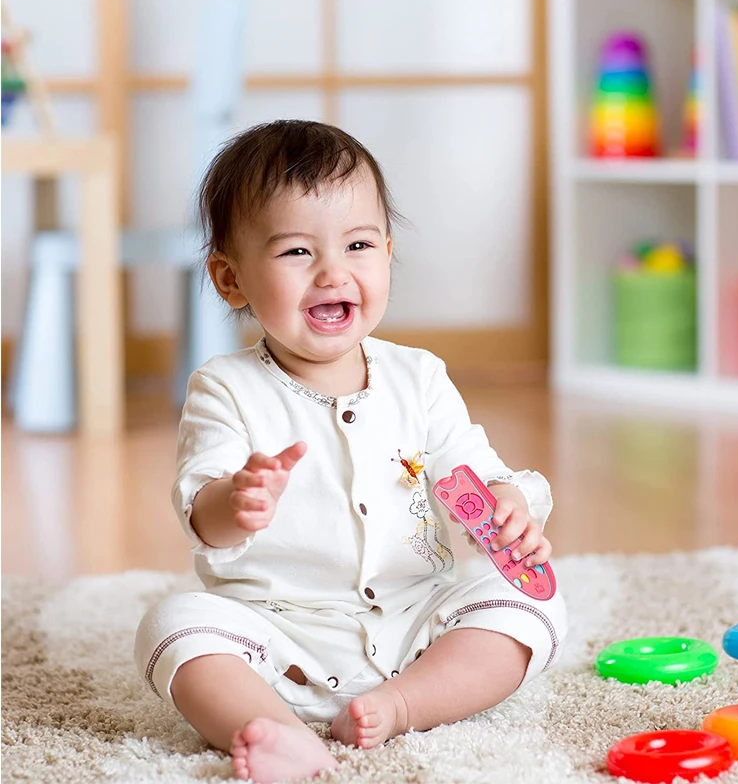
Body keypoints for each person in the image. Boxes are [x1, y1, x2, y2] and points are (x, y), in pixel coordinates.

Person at [134, 120, 568, 784]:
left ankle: (401, 705)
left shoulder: (420, 377)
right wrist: (236, 502)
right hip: (278, 643)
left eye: (359, 245)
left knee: (535, 607)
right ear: (230, 278)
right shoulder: (224, 388)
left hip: (417, 627)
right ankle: (275, 731)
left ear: (387, 254)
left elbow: (473, 472)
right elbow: (202, 514)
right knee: (172, 626)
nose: (333, 272)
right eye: (296, 252)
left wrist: (510, 504)